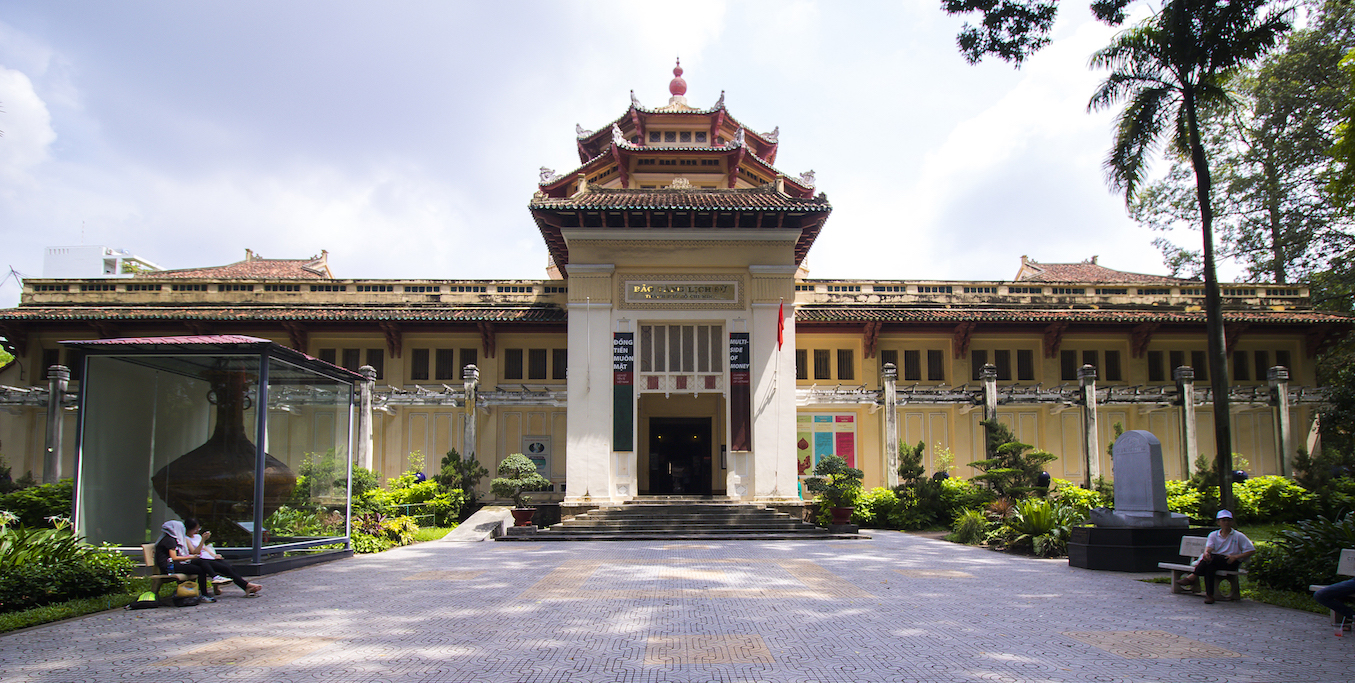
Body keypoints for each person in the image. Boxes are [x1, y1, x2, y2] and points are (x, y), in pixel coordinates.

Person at [1176, 510, 1255, 604]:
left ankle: (1193, 577)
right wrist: (1206, 553)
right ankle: (1209, 595)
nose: (1226, 522)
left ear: (1232, 522)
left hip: (1231, 561)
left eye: (1228, 520)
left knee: (1212, 560)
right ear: (1218, 522)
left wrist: (1236, 557)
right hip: (1215, 561)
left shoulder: (1238, 536)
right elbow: (1209, 547)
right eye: (1223, 520)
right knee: (1210, 567)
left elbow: (1251, 550)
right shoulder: (1214, 535)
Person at [184, 518, 262, 598]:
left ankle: (245, 587)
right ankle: (247, 585)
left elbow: (205, 549)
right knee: (225, 568)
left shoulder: (197, 536)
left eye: (198, 528)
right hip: (201, 560)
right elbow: (194, 551)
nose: (197, 530)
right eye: (195, 529)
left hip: (209, 558)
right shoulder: (186, 539)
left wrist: (214, 555)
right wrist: (203, 540)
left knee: (230, 568)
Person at [154, 519, 211, 600]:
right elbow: (174, 558)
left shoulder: (169, 539)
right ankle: (204, 594)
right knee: (200, 570)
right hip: (168, 567)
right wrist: (191, 557)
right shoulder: (170, 541)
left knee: (199, 564)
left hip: (172, 565)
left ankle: (200, 592)